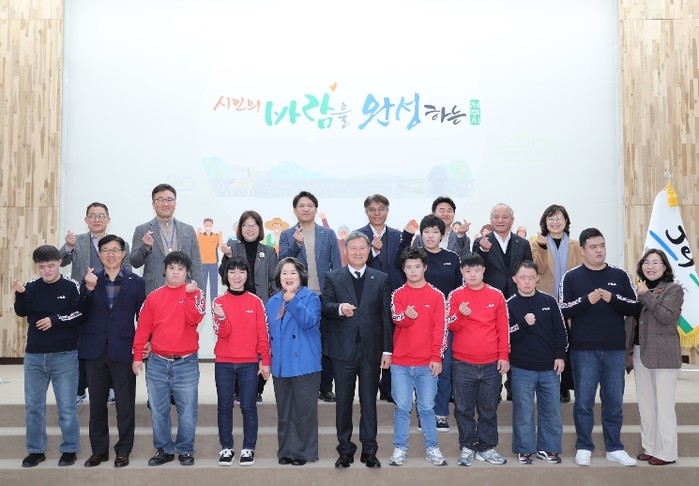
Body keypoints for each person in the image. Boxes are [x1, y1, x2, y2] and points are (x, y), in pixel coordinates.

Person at [560, 228, 638, 467]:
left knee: (613, 401)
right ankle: (584, 446)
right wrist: (587, 301)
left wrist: (612, 298)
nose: (599, 250)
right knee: (583, 402)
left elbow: (634, 306)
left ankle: (614, 447)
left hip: (614, 349)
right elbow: (563, 309)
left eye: (602, 245)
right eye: (593, 247)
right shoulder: (571, 277)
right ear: (582, 250)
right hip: (584, 350)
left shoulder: (619, 275)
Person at [321, 231, 392, 469]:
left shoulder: (380, 278)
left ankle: (369, 451)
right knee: (343, 402)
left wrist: (387, 351)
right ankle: (345, 450)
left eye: (363, 248)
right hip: (343, 351)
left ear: (369, 250)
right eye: (353, 248)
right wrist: (340, 309)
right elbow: (326, 306)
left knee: (369, 402)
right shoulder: (333, 277)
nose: (358, 252)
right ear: (345, 251)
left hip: (371, 351)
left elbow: (385, 317)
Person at [13, 245, 87, 468]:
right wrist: (20, 294)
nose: (47, 270)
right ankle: (36, 450)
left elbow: (80, 313)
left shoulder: (72, 286)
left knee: (67, 406)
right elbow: (21, 311)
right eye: (42, 267)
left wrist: (55, 320)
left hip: (64, 355)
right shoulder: (30, 286)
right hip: (34, 356)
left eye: (51, 266)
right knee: (33, 406)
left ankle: (70, 449)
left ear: (59, 263)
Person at [132, 251, 206, 467]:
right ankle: (164, 449)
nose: (175, 272)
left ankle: (185, 449)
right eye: (172, 268)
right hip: (157, 362)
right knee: (158, 409)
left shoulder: (196, 293)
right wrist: (137, 355)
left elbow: (194, 319)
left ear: (187, 272)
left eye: (180, 269)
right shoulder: (153, 297)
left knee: (187, 410)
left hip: (186, 362)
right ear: (165, 270)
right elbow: (142, 329)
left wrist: (190, 296)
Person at [79, 235, 146, 468]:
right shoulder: (90, 280)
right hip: (94, 351)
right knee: (97, 405)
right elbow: (80, 313)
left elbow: (143, 317)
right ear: (99, 255)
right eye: (105, 250)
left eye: (115, 250)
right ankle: (99, 451)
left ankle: (123, 450)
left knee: (125, 405)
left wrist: (144, 344)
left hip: (123, 350)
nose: (111, 254)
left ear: (123, 253)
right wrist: (88, 290)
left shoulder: (136, 282)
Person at [59, 201, 131, 406]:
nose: (97, 219)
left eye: (101, 216)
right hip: (84, 299)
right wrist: (68, 247)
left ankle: (110, 388)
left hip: (112, 301)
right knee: (82, 345)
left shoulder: (119, 243)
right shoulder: (77, 241)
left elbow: (127, 270)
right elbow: (61, 261)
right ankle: (79, 389)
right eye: (93, 216)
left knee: (111, 343)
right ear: (86, 219)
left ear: (108, 219)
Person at [396, 214, 462, 432]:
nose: (431, 236)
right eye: (426, 231)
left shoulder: (452, 258)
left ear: (442, 235)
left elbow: (458, 291)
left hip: (442, 323)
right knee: (418, 370)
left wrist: (453, 316)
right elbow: (398, 263)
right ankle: (423, 414)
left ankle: (440, 413)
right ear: (421, 234)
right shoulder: (415, 257)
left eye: (435, 231)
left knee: (442, 367)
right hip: (414, 322)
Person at [447, 253, 509, 466]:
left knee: (488, 409)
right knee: (463, 408)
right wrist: (461, 314)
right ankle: (467, 446)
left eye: (476, 270)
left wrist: (504, 356)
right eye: (468, 271)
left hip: (491, 363)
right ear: (462, 272)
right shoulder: (455, 295)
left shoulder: (496, 295)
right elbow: (450, 325)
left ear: (483, 271)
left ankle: (487, 447)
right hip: (462, 363)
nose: (472, 274)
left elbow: (503, 328)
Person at [278, 190, 341, 403]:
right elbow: (282, 264)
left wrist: (336, 294)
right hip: (298, 298)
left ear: (315, 209)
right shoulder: (287, 235)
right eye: (301, 206)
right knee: (302, 343)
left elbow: (336, 266)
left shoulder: (328, 234)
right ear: (295, 210)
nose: (306, 209)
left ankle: (326, 387)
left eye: (310, 205)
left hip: (323, 296)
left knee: (325, 342)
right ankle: (304, 385)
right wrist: (296, 245)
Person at [388, 247, 448, 467]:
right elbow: (396, 318)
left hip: (427, 363)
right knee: (402, 407)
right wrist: (407, 317)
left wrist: (436, 357)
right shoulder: (398, 294)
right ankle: (400, 448)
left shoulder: (436, 295)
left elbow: (441, 329)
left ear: (425, 267)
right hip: (401, 363)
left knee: (427, 408)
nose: (413, 270)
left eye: (417, 266)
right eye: (408, 267)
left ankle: (432, 448)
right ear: (403, 270)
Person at [625, 249, 684, 466]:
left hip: (664, 355)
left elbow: (666, 317)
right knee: (646, 405)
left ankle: (667, 453)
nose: (650, 266)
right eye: (646, 262)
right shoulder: (639, 290)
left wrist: (645, 296)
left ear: (665, 266)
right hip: (640, 352)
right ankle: (650, 447)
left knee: (664, 406)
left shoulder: (673, 289)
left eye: (656, 262)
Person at [212, 256, 271, 467]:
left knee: (248, 406)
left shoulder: (256, 302)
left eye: (241, 272)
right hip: (224, 363)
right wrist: (221, 317)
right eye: (232, 271)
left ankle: (248, 448)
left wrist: (265, 361)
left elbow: (263, 334)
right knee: (224, 406)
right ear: (226, 275)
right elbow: (222, 333)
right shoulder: (218, 302)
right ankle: (226, 447)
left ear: (247, 275)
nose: (237, 276)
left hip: (249, 363)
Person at [507, 260, 568, 465]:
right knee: (523, 412)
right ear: (515, 279)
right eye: (523, 278)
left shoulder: (549, 301)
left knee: (551, 411)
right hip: (521, 368)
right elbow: (506, 335)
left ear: (537, 279)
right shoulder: (509, 304)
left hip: (549, 368)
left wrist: (560, 356)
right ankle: (524, 449)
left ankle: (548, 448)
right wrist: (523, 324)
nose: (527, 282)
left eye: (531, 278)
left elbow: (560, 332)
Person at [266, 257, 322, 466]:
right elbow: (268, 334)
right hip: (280, 364)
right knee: (284, 411)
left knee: (304, 411)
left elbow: (308, 321)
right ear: (278, 277)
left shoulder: (311, 298)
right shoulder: (272, 302)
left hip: (305, 364)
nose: (288, 277)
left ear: (301, 276)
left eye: (293, 273)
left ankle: (302, 452)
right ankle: (286, 451)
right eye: (284, 273)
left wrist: (292, 301)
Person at [219, 210, 279, 402]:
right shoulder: (233, 248)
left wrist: (278, 305)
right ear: (240, 228)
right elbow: (224, 276)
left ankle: (256, 390)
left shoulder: (269, 251)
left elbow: (275, 281)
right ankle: (238, 389)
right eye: (245, 225)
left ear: (259, 228)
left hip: (261, 306)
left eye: (254, 225)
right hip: (236, 306)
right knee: (238, 346)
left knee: (261, 348)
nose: (250, 229)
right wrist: (227, 257)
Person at [475, 203, 533, 401]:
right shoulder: (481, 241)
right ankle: (494, 388)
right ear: (491, 220)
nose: (500, 220)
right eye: (496, 217)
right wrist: (483, 251)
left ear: (512, 220)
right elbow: (475, 267)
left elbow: (528, 268)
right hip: (491, 301)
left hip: (517, 299)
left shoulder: (522, 243)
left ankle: (513, 387)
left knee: (517, 341)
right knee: (494, 343)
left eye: (505, 217)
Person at [530, 204, 583, 402]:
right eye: (551, 218)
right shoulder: (536, 243)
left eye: (559, 218)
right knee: (548, 344)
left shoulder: (576, 245)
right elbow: (538, 269)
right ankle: (549, 385)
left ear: (566, 221)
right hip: (546, 301)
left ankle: (565, 386)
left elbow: (580, 271)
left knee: (568, 344)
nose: (555, 222)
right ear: (545, 222)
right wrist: (543, 247)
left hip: (570, 301)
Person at [356, 193, 403, 402]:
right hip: (368, 296)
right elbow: (355, 264)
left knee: (392, 339)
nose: (377, 213)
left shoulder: (398, 236)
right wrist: (373, 251)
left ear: (387, 211)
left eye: (381, 209)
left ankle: (388, 387)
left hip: (394, 295)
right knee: (372, 340)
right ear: (366, 212)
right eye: (372, 210)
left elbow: (403, 264)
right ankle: (370, 387)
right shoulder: (358, 236)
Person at [130, 183, 204, 295]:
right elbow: (134, 262)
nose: (165, 203)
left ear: (175, 203)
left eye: (169, 200)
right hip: (154, 290)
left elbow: (196, 266)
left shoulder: (188, 230)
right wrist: (145, 247)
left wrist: (200, 295)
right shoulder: (142, 229)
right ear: (153, 204)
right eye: (160, 200)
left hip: (185, 290)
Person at [197, 218, 222, 306]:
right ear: (204, 225)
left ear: (212, 225)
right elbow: (195, 246)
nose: (208, 225)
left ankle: (214, 305)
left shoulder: (216, 236)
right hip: (203, 264)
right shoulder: (200, 235)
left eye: (209, 224)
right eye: (206, 224)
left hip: (213, 263)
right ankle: (202, 305)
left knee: (214, 286)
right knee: (202, 286)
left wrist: (221, 236)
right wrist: (197, 233)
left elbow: (220, 248)